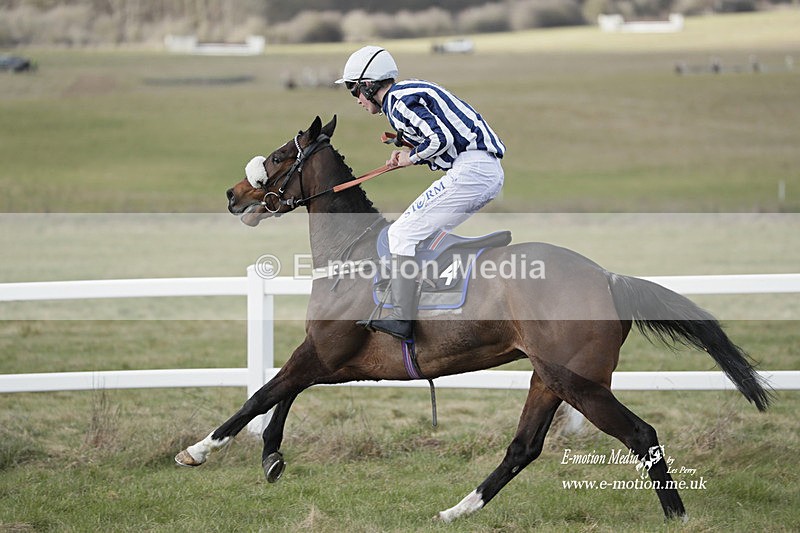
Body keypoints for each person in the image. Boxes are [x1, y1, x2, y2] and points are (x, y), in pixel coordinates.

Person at [336, 45, 505, 341]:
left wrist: (411, 157)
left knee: (400, 234)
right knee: (416, 232)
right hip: (480, 170)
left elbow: (440, 138)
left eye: (354, 91)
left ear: (369, 85)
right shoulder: (404, 95)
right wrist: (410, 152)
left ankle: (402, 318)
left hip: (472, 170)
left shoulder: (396, 101)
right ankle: (433, 296)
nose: (357, 100)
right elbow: (440, 140)